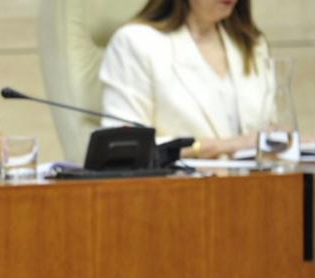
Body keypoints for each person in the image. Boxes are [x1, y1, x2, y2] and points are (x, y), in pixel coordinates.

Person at [100, 0, 269, 159]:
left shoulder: (251, 44)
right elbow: (124, 147)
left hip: (255, 185)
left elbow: (263, 130)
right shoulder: (136, 42)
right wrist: (219, 147)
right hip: (178, 186)